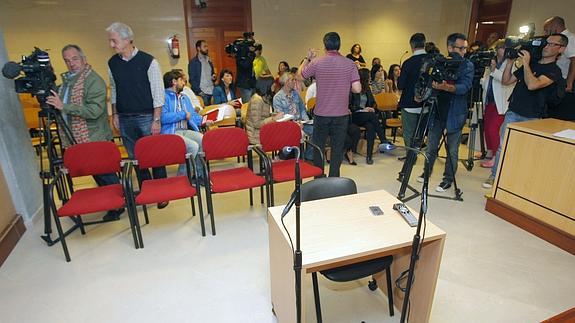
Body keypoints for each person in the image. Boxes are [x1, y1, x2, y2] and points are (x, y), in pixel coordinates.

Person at [46, 44, 123, 222]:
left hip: (94, 137)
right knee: (98, 174)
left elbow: (95, 111)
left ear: (83, 59)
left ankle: (118, 205)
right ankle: (111, 202)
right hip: (77, 137)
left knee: (105, 174)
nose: (71, 63)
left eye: (74, 59)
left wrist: (63, 106)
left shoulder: (93, 81)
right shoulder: (67, 82)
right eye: (67, 60)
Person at [483, 33, 567, 188]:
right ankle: (494, 177)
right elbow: (507, 81)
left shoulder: (554, 71)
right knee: (503, 147)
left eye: (552, 44)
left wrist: (527, 64)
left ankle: (515, 180)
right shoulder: (532, 63)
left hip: (533, 117)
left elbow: (533, 85)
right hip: (514, 111)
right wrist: (510, 62)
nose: (546, 46)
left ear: (561, 49)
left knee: (525, 151)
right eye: (546, 43)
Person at [106, 22, 168, 209]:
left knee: (155, 156)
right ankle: (146, 190)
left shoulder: (149, 61)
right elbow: (114, 90)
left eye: (114, 40)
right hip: (124, 117)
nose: (111, 45)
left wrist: (156, 119)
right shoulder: (112, 63)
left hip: (147, 116)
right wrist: (115, 113)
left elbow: (159, 93)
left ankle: (162, 192)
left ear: (127, 39)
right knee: (135, 158)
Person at [299, 32, 361, 177]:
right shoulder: (349, 63)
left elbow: (299, 76)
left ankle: (319, 176)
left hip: (321, 114)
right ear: (339, 45)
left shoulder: (317, 62)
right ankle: (334, 177)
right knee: (337, 148)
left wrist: (307, 59)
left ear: (325, 45)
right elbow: (357, 89)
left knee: (319, 146)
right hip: (341, 115)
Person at [423, 33, 474, 192]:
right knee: (431, 146)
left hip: (455, 113)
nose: (464, 51)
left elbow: (464, 87)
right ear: (450, 47)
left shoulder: (467, 65)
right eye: (461, 48)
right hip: (437, 111)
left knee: (452, 149)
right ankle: (427, 172)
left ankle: (448, 179)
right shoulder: (440, 62)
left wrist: (446, 87)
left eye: (465, 48)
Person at [160, 70, 210, 180]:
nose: (184, 82)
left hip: (184, 130)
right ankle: (182, 178)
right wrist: (182, 114)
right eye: (181, 80)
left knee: (202, 139)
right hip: (171, 132)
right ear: (174, 81)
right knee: (193, 146)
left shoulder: (184, 97)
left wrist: (204, 121)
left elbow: (192, 115)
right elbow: (163, 118)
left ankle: (199, 175)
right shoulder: (163, 97)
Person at [479, 39, 515, 168]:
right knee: (486, 128)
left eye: (501, 47)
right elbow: (486, 79)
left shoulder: (512, 63)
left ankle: (495, 156)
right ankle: (489, 151)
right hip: (489, 99)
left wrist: (494, 70)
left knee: (493, 129)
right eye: (497, 48)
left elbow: (507, 80)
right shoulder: (492, 61)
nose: (498, 50)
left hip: (501, 102)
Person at [350, 68, 395, 164]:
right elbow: (349, 105)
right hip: (355, 115)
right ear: (364, 77)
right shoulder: (352, 88)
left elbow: (373, 102)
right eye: (369, 75)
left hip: (366, 115)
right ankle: (383, 139)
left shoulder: (367, 88)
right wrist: (362, 109)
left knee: (370, 126)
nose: (370, 77)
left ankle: (369, 156)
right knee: (371, 117)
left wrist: (371, 107)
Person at [398, 33, 428, 153]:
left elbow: (401, 85)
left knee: (409, 132)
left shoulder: (408, 63)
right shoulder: (432, 60)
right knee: (420, 132)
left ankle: (410, 157)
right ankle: (417, 151)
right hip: (426, 104)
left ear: (412, 45)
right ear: (424, 44)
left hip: (409, 103)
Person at [544, 16, 575, 121]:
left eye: (546, 30)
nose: (545, 33)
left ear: (555, 27)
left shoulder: (569, 39)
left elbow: (574, 60)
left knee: (559, 116)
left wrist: (569, 82)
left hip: (564, 82)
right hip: (556, 80)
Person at [246, 80, 284, 144]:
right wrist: (273, 119)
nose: (274, 86)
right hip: (255, 136)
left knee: (284, 134)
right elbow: (256, 124)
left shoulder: (265, 97)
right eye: (272, 84)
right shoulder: (256, 100)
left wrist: (274, 115)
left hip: (263, 132)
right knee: (282, 138)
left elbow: (264, 116)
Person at [188, 40, 216, 106]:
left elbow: (213, 75)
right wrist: (199, 92)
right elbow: (192, 80)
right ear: (198, 48)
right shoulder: (193, 62)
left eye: (207, 46)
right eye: (204, 46)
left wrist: (214, 77)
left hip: (212, 92)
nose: (207, 48)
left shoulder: (209, 61)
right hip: (202, 94)